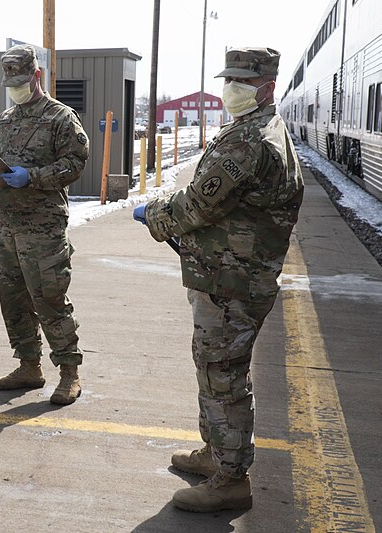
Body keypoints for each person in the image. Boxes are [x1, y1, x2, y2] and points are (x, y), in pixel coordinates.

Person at [133, 47, 304, 512]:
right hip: (231, 277)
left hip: (233, 283)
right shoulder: (259, 130)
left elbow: (198, 205)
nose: (232, 88)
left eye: (242, 81)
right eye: (230, 78)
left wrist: (155, 214)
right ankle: (216, 454)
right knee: (214, 369)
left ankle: (230, 479)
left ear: (266, 87)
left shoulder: (249, 141)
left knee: (223, 375)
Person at [0, 44, 89, 405]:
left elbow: (76, 163)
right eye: (11, 82)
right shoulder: (5, 121)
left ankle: (69, 373)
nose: (17, 87)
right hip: (7, 227)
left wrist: (34, 177)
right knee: (14, 299)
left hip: (43, 230)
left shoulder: (60, 117)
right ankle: (28, 365)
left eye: (23, 80)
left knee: (50, 299)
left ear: (37, 76)